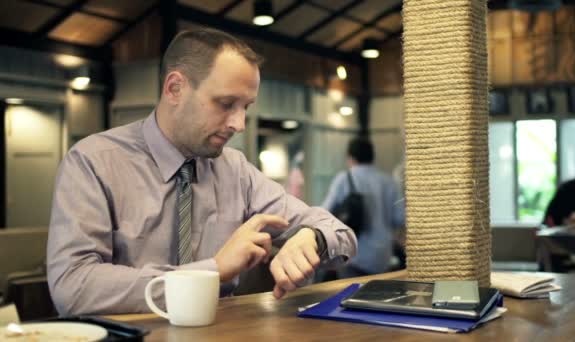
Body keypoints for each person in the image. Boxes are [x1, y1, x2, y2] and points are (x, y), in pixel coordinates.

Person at [47, 28, 357, 315]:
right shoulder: (95, 162)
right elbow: (72, 287)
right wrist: (213, 270)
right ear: (175, 88)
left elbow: (341, 233)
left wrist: (311, 237)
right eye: (226, 104)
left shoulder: (235, 170)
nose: (239, 124)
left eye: (245, 107)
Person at [322, 138, 404, 278]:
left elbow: (325, 211)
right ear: (372, 157)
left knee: (350, 296)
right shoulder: (388, 182)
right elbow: (399, 218)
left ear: (350, 157)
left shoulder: (344, 178)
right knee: (378, 297)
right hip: (382, 257)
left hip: (353, 255)